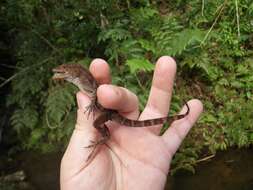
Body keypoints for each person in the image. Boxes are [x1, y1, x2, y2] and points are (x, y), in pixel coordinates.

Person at [60, 56, 203, 190]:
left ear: (74, 72)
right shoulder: (81, 79)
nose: (63, 73)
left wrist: (92, 103)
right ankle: (105, 136)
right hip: (107, 111)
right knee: (97, 119)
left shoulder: (83, 80)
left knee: (97, 120)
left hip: (108, 112)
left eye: (65, 70)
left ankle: (105, 137)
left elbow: (93, 93)